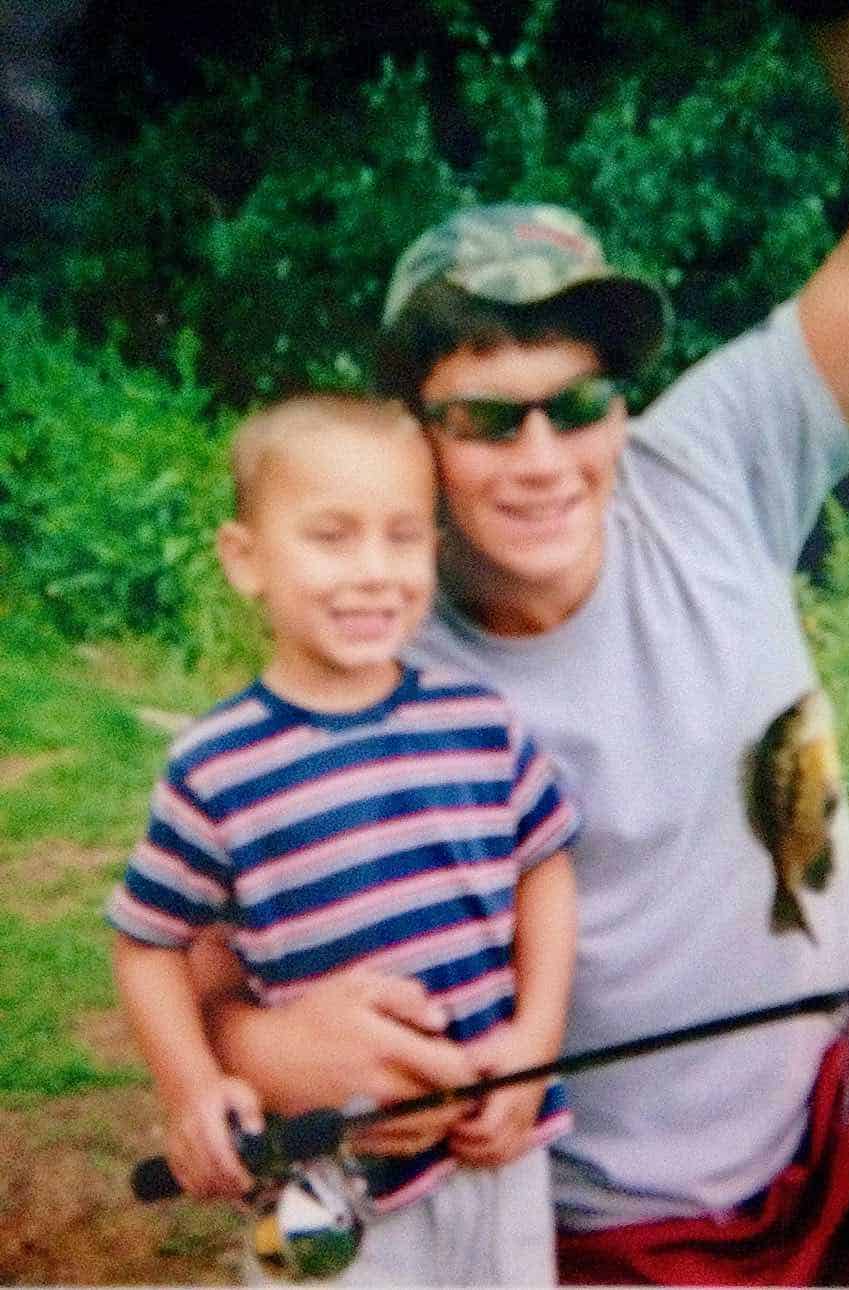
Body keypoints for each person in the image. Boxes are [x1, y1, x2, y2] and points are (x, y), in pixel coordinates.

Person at [200, 1, 849, 1285]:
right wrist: (264, 1044)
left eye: (580, 405)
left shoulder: (712, 459)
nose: (546, 461)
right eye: (486, 422)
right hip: (619, 1219)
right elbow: (208, 960)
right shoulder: (366, 659)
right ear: (412, 435)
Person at [108, 395, 579, 1285]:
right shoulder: (215, 765)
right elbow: (146, 945)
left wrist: (536, 1039)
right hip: (329, 1182)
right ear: (244, 561)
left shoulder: (482, 721)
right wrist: (193, 1089)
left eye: (403, 537)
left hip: (500, 1155)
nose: (374, 572)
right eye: (331, 537)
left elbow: (546, 867)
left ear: (435, 552)